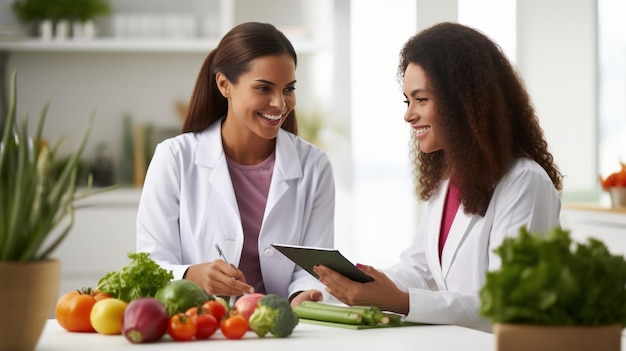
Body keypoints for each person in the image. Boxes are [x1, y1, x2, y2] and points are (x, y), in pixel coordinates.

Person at [313, 22, 563, 331]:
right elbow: (421, 268)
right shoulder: (449, 176)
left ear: (462, 101)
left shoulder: (525, 182)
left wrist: (399, 301)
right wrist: (342, 289)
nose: (408, 114)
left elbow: (509, 303)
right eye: (407, 100)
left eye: (421, 99)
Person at [136, 22, 335, 306]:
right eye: (264, 88)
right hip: (200, 326)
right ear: (224, 85)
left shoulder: (315, 166)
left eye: (288, 89)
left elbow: (314, 268)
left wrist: (303, 295)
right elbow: (150, 264)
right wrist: (193, 274)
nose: (280, 103)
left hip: (279, 328)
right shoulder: (174, 158)